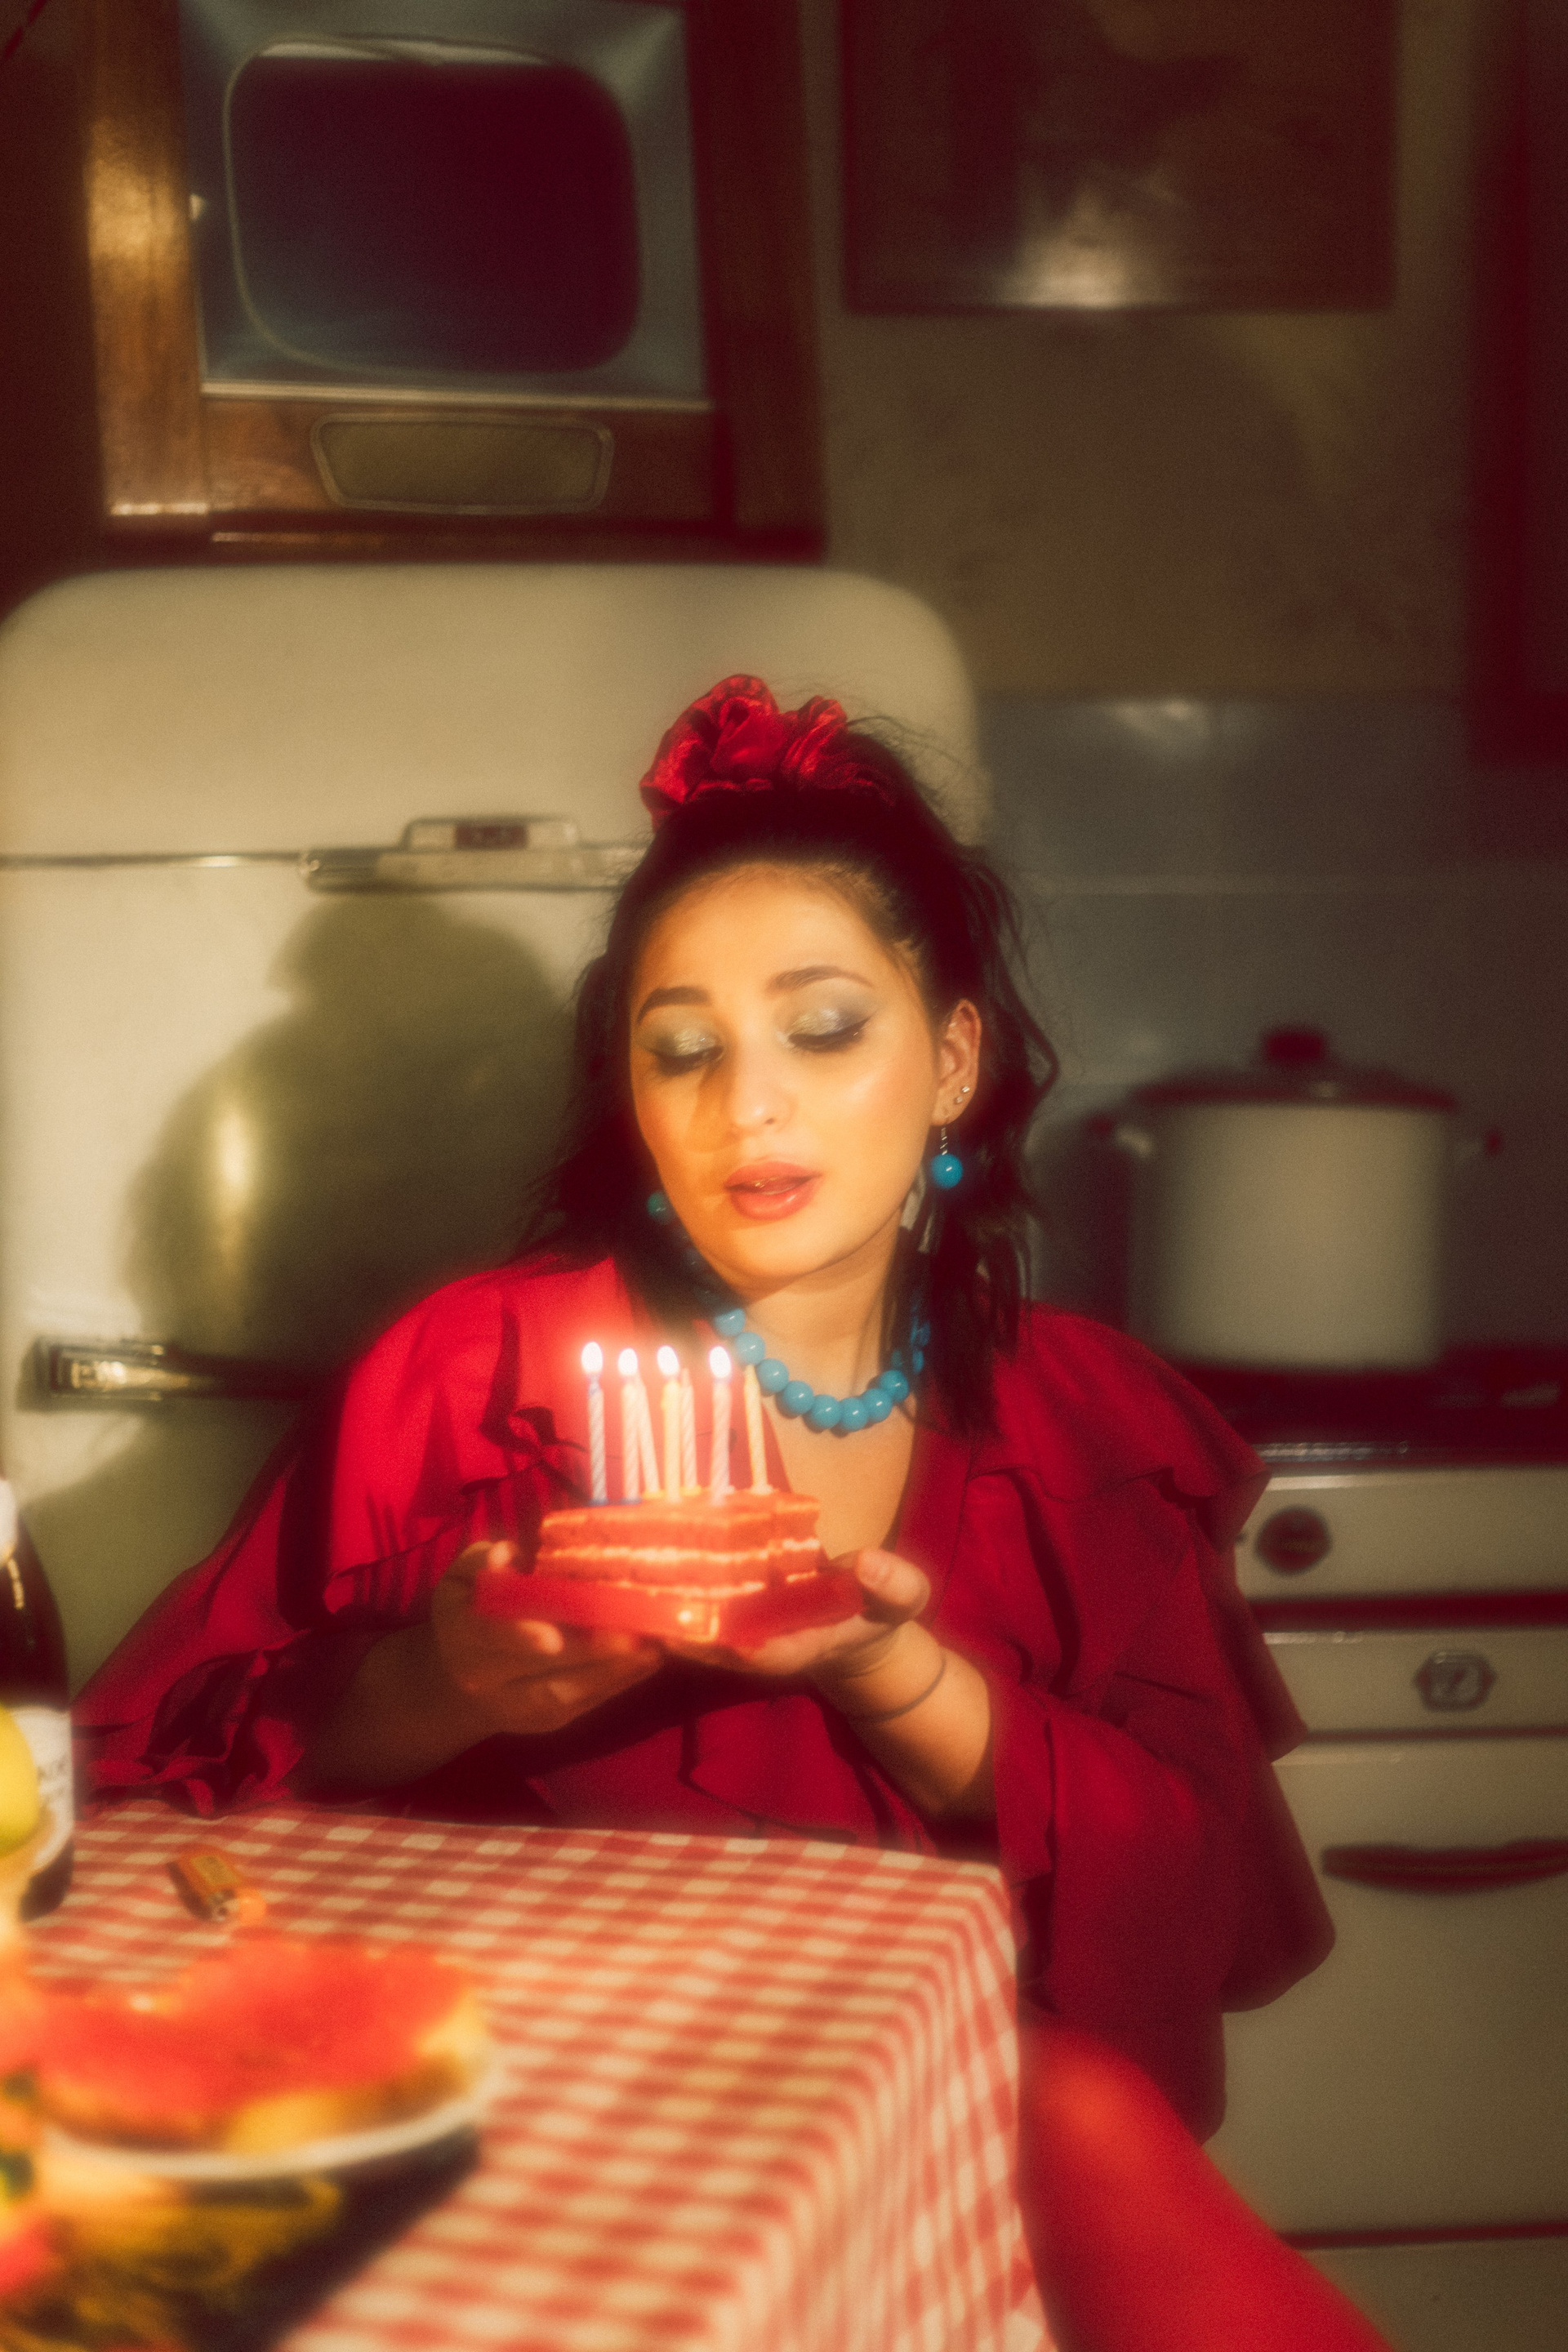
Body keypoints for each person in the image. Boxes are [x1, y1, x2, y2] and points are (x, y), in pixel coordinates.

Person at [77, 678, 1382, 2350]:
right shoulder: (475, 1378)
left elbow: (1195, 1883)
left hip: (929, 2171)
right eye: (681, 1048)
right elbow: (152, 1800)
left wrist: (895, 1679)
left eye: (821, 1029)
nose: (745, 1105)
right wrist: (440, 1685)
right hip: (548, 2156)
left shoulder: (1089, 1427)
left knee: (1076, 2129)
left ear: (953, 1060)